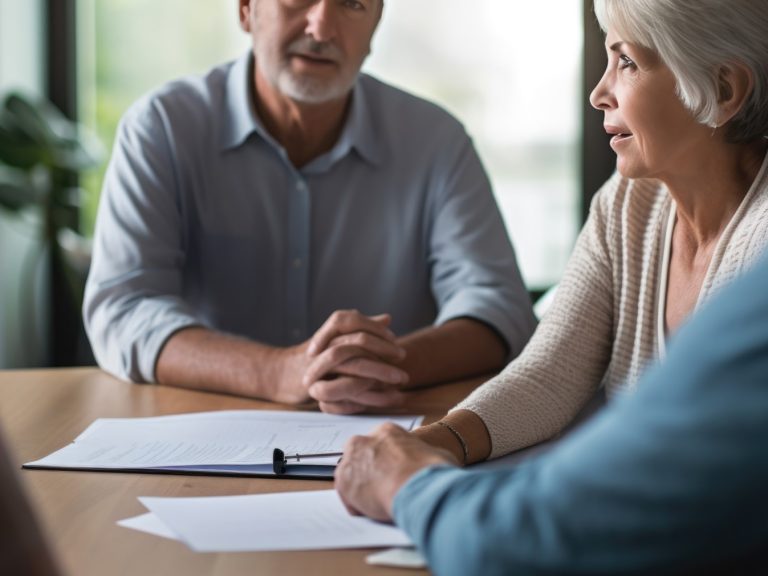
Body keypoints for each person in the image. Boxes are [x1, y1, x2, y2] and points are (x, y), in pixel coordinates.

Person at [83, 0, 537, 413]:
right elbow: (124, 309)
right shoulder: (161, 128)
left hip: (386, 437)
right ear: (246, 10)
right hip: (201, 439)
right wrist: (276, 371)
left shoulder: (437, 142)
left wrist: (379, 367)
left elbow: (499, 307)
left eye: (352, 4)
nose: (322, 27)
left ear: (376, 23)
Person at [406, 0, 768, 465]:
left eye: (627, 62)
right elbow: (546, 378)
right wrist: (434, 444)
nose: (599, 93)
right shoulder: (627, 204)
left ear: (723, 89)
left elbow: (710, 451)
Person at [335, 250, 768, 575]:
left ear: (723, 119)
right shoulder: (633, 195)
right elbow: (549, 373)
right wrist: (433, 443)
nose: (602, 123)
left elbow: (525, 540)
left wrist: (406, 482)